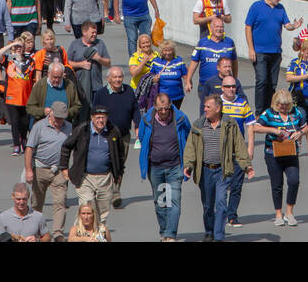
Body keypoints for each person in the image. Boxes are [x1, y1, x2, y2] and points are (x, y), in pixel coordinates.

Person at [184, 92, 254, 242]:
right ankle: (209, 231)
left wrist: (246, 166)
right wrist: (188, 165)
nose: (205, 109)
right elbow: (190, 147)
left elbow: (239, 145)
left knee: (221, 203)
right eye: (204, 106)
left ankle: (219, 236)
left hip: (223, 170)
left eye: (208, 107)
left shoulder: (229, 124)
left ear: (218, 108)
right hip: (205, 170)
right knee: (208, 205)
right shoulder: (198, 125)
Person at [137, 92, 192, 241]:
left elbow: (190, 136)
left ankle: (170, 234)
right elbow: (142, 137)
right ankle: (164, 231)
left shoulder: (180, 118)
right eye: (160, 109)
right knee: (161, 202)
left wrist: (188, 161)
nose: (163, 112)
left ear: (171, 106)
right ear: (155, 107)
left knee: (174, 200)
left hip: (175, 167)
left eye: (166, 108)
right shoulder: (147, 120)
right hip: (155, 168)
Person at [60, 104, 125, 230]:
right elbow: (66, 146)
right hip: (86, 177)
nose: (101, 120)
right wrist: (64, 167)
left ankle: (99, 235)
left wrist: (119, 172)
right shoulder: (82, 130)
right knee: (86, 208)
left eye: (104, 117)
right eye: (98, 117)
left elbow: (120, 153)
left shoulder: (113, 131)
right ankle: (80, 234)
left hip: (105, 177)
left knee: (103, 213)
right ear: (92, 118)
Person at [253, 88, 307, 227]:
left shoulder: (296, 112)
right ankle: (278, 214)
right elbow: (256, 127)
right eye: (280, 105)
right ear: (275, 103)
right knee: (277, 184)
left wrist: (300, 133)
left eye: (286, 105)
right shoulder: (269, 113)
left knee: (294, 181)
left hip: (291, 152)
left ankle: (289, 212)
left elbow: (306, 127)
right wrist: (273, 130)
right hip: (273, 154)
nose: (283, 108)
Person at [244, 0, 298, 112]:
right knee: (262, 81)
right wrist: (251, 49)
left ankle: (270, 109)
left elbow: (287, 25)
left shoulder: (281, 8)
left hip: (275, 52)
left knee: (272, 83)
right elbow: (248, 27)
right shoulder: (256, 7)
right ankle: (259, 111)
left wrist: (294, 26)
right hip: (260, 52)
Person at [24, 101, 73, 241]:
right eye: (57, 118)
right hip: (40, 168)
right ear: (50, 113)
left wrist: (70, 169)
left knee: (60, 201)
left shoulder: (69, 127)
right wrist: (28, 170)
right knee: (37, 203)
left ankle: (58, 233)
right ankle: (36, 231)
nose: (59, 122)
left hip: (59, 170)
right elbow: (29, 149)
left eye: (62, 118)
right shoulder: (39, 127)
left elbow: (74, 148)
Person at [95, 66, 139, 207]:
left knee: (119, 164)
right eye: (115, 77)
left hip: (123, 136)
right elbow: (94, 113)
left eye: (120, 77)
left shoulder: (129, 91)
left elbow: (135, 110)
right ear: (108, 79)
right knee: (105, 163)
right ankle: (103, 191)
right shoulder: (101, 94)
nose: (118, 80)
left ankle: (115, 192)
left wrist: (137, 125)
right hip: (105, 135)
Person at [218, 75, 256, 228]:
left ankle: (232, 216)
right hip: (220, 151)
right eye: (228, 87)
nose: (231, 89)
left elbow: (250, 126)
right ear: (222, 88)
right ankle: (219, 213)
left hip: (238, 150)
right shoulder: (216, 103)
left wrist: (250, 147)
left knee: (237, 185)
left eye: (233, 86)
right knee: (221, 185)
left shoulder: (242, 103)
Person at [187, 14, 236, 112]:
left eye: (221, 27)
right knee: (207, 112)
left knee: (222, 112)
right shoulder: (202, 43)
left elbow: (234, 63)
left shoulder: (229, 43)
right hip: (205, 86)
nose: (219, 29)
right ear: (211, 28)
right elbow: (194, 62)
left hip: (224, 87)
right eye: (217, 26)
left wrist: (234, 79)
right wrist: (188, 80)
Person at [26, 61, 84, 126]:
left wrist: (67, 113)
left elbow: (77, 106)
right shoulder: (40, 85)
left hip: (64, 126)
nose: (57, 80)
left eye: (59, 77)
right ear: (48, 74)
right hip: (44, 125)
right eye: (54, 77)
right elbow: (29, 108)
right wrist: (43, 111)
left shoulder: (69, 85)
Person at [149, 40, 191, 110]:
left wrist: (187, 84)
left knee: (175, 116)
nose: (167, 53)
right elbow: (150, 77)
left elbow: (185, 75)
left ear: (173, 51)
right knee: (164, 115)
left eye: (170, 50)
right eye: (165, 50)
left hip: (177, 96)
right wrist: (154, 79)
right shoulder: (156, 62)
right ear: (161, 51)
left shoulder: (179, 60)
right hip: (161, 97)